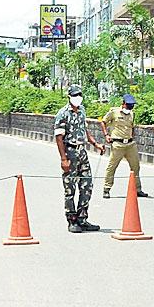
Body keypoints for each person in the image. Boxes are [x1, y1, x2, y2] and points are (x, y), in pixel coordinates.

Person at [54, 85, 105, 233]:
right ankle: (72, 220)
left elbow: (85, 130)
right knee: (70, 188)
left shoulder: (82, 110)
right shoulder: (62, 114)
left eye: (80, 95)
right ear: (69, 97)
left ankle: (82, 218)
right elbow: (59, 137)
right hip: (70, 151)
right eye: (75, 95)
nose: (78, 98)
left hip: (82, 151)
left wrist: (95, 144)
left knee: (87, 185)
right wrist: (63, 159)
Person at [100, 94, 147, 199]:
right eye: (129, 105)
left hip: (130, 144)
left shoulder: (132, 114)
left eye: (132, 105)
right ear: (123, 103)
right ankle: (106, 189)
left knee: (135, 167)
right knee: (112, 167)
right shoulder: (114, 112)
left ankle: (138, 189)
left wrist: (132, 137)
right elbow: (103, 122)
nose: (130, 107)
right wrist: (106, 135)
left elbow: (132, 127)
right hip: (118, 144)